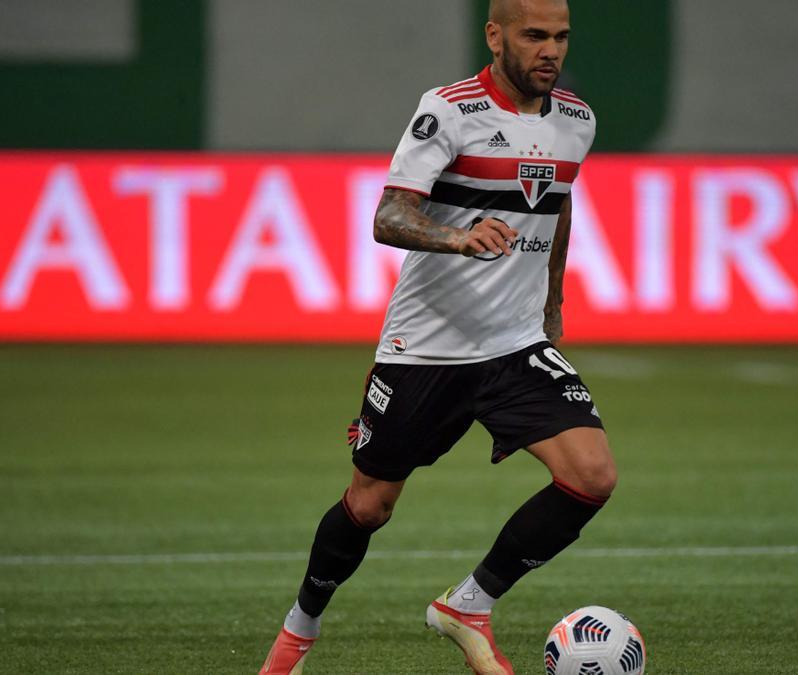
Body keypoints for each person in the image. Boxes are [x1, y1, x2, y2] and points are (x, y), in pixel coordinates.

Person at [259, 1, 613, 673]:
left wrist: (553, 301)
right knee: (369, 505)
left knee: (592, 475)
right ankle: (299, 630)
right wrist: (459, 235)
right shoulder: (449, 112)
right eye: (534, 35)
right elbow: (389, 214)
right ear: (495, 35)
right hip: (425, 348)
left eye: (560, 37)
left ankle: (468, 604)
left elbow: (557, 202)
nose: (550, 50)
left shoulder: (576, 121)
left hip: (514, 343)